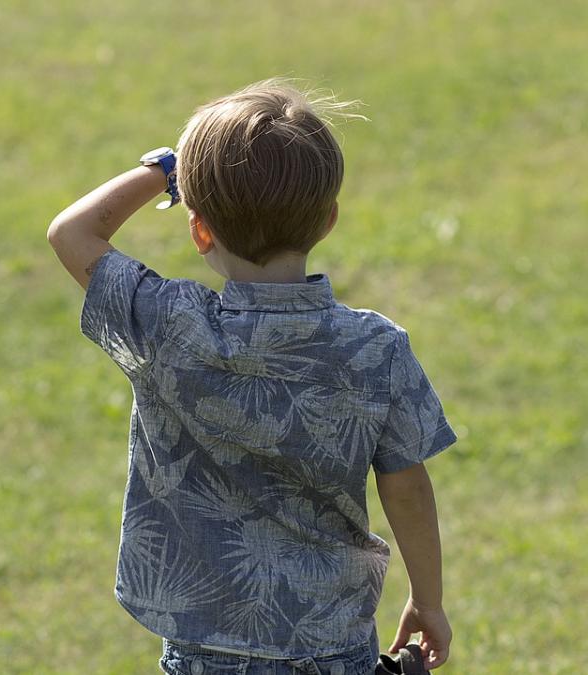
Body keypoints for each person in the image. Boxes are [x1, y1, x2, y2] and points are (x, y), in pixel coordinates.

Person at [47, 78, 457, 674]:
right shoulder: (376, 348)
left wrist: (166, 169)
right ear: (328, 221)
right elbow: (406, 485)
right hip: (333, 643)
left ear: (200, 230)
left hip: (204, 648)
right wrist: (427, 600)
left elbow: (71, 234)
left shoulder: (168, 328)